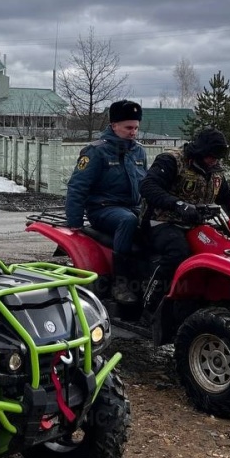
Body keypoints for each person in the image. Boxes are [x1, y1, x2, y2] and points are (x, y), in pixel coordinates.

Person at [138, 126, 230, 312]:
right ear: (201, 151)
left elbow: (228, 198)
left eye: (218, 157)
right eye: (212, 155)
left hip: (195, 224)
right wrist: (178, 204)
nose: (214, 160)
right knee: (178, 252)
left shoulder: (215, 170)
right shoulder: (171, 160)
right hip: (161, 222)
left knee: (226, 250)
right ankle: (150, 302)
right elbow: (148, 187)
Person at [64, 99, 148, 304]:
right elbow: (78, 186)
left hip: (133, 206)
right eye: (128, 127)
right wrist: (74, 221)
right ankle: (121, 283)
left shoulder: (139, 151)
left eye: (136, 127)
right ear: (114, 125)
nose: (133, 132)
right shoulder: (96, 151)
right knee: (127, 221)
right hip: (103, 209)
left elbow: (146, 184)